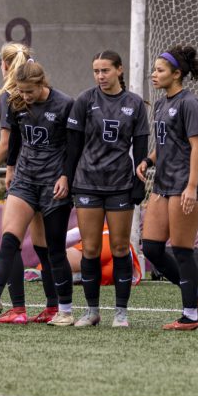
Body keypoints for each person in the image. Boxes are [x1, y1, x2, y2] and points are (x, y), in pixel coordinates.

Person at [0, 60, 75, 325]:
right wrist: (11, 167)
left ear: (42, 84)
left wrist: (65, 176)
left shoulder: (64, 104)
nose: (25, 96)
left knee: (49, 249)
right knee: (9, 238)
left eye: (30, 91)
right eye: (21, 91)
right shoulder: (16, 102)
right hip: (25, 180)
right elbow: (14, 139)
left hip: (53, 184)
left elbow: (74, 146)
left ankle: (57, 308)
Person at [65, 50, 150, 327]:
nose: (101, 76)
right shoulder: (85, 100)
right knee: (89, 249)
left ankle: (121, 313)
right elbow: (73, 147)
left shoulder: (135, 104)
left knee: (119, 248)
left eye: (106, 70)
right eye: (96, 71)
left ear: (119, 70)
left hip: (120, 185)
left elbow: (139, 149)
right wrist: (66, 178)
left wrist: (139, 184)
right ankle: (91, 311)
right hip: (87, 183)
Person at [0, 42, 56, 321]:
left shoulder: (10, 96)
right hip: (44, 176)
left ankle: (17, 307)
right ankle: (52, 307)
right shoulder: (39, 93)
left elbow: (7, 142)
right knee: (42, 246)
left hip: (27, 176)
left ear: (5, 65)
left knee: (10, 239)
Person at [136, 46, 198, 331]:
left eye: (160, 70)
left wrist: (192, 187)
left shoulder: (189, 103)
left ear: (177, 74)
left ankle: (190, 314)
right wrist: (147, 160)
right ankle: (197, 294)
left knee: (182, 249)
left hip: (183, 186)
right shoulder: (161, 104)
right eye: (154, 70)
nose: (154, 75)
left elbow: (196, 147)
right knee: (152, 249)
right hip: (162, 185)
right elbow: (166, 143)